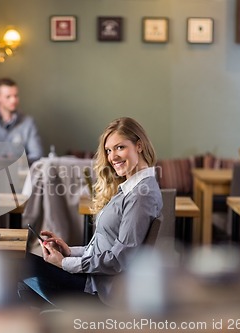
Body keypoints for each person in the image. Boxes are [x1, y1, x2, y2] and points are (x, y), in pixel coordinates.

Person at [20, 117, 163, 306]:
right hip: (93, 281)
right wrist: (69, 252)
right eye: (108, 150)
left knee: (18, 264)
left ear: (139, 146)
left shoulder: (141, 195)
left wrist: (63, 264)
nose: (113, 157)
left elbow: (119, 259)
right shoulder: (132, 188)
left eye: (120, 147)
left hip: (98, 290)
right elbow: (106, 248)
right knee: (21, 279)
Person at [0, 78, 43, 165]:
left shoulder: (28, 123)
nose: (13, 100)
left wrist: (17, 162)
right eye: (8, 97)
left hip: (21, 175)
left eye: (16, 96)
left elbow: (37, 155)